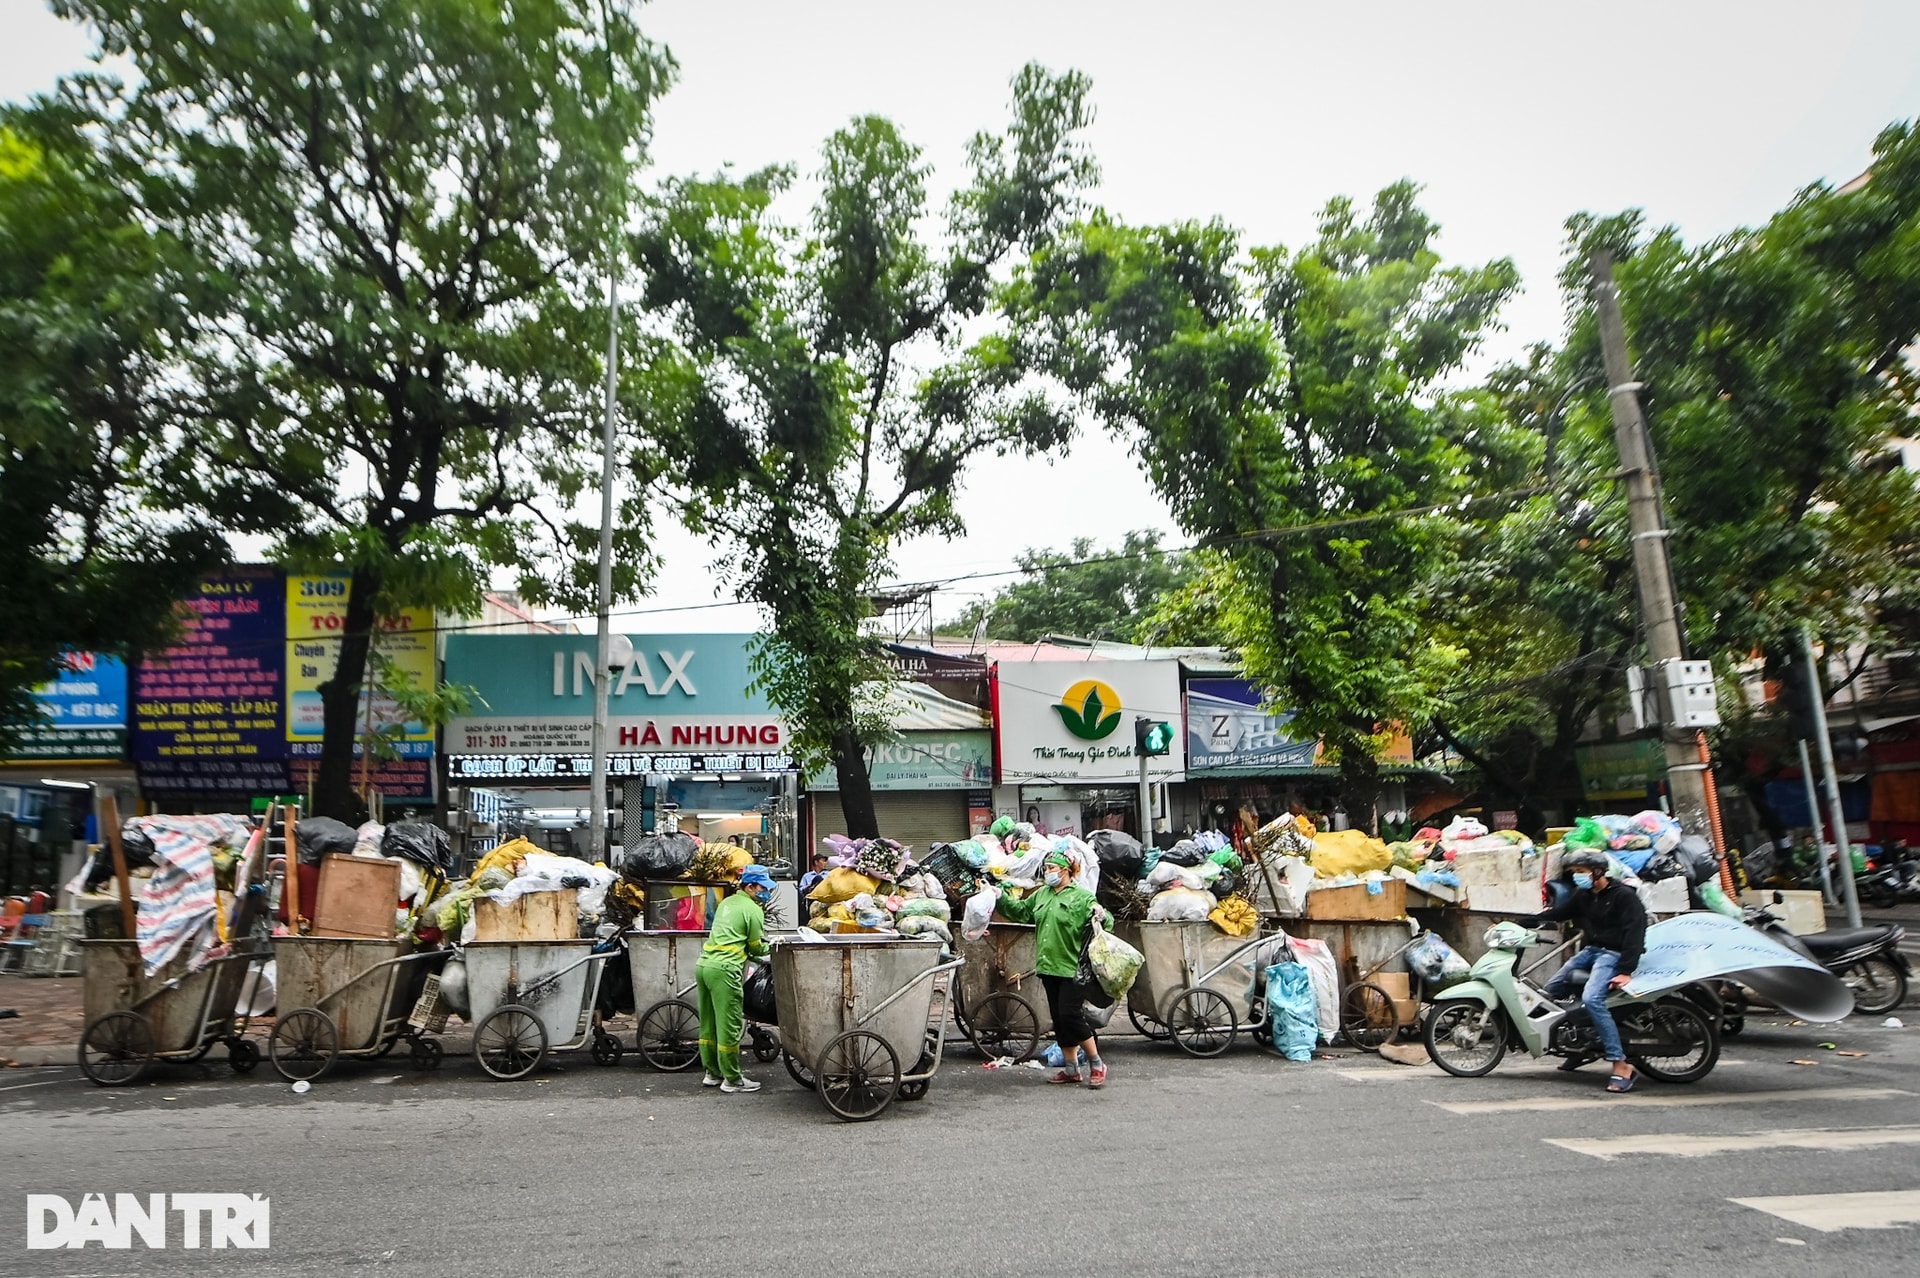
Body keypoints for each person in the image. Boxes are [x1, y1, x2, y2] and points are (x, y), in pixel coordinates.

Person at [1521, 848, 1649, 1093]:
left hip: (1614, 954)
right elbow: (1561, 913)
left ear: (1598, 872)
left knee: (1592, 999)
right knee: (1551, 991)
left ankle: (1620, 1064)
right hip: (1592, 950)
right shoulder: (1585, 895)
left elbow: (1636, 932)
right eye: (1574, 873)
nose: (1577, 876)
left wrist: (1625, 970)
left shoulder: (1623, 896)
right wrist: (1523, 922)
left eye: (1581, 872)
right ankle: (1580, 1046)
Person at [992, 849, 1113, 1088]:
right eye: (1046, 868)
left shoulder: (1081, 897)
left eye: (1051, 868)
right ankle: (1071, 1069)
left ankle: (1097, 1063)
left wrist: (1102, 914)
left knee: (1071, 1015)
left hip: (1072, 967)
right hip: (1048, 967)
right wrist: (999, 897)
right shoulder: (1041, 895)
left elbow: (1106, 921)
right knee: (1059, 1019)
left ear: (1066, 870)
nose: (1047, 873)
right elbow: (1022, 912)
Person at [696, 865, 774, 1093]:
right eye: (763, 888)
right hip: (725, 970)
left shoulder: (727, 903)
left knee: (708, 1023)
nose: (766, 893)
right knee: (729, 1024)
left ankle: (712, 1072)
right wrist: (772, 948)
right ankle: (732, 1079)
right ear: (750, 887)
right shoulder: (753, 910)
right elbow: (756, 948)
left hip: (704, 965)